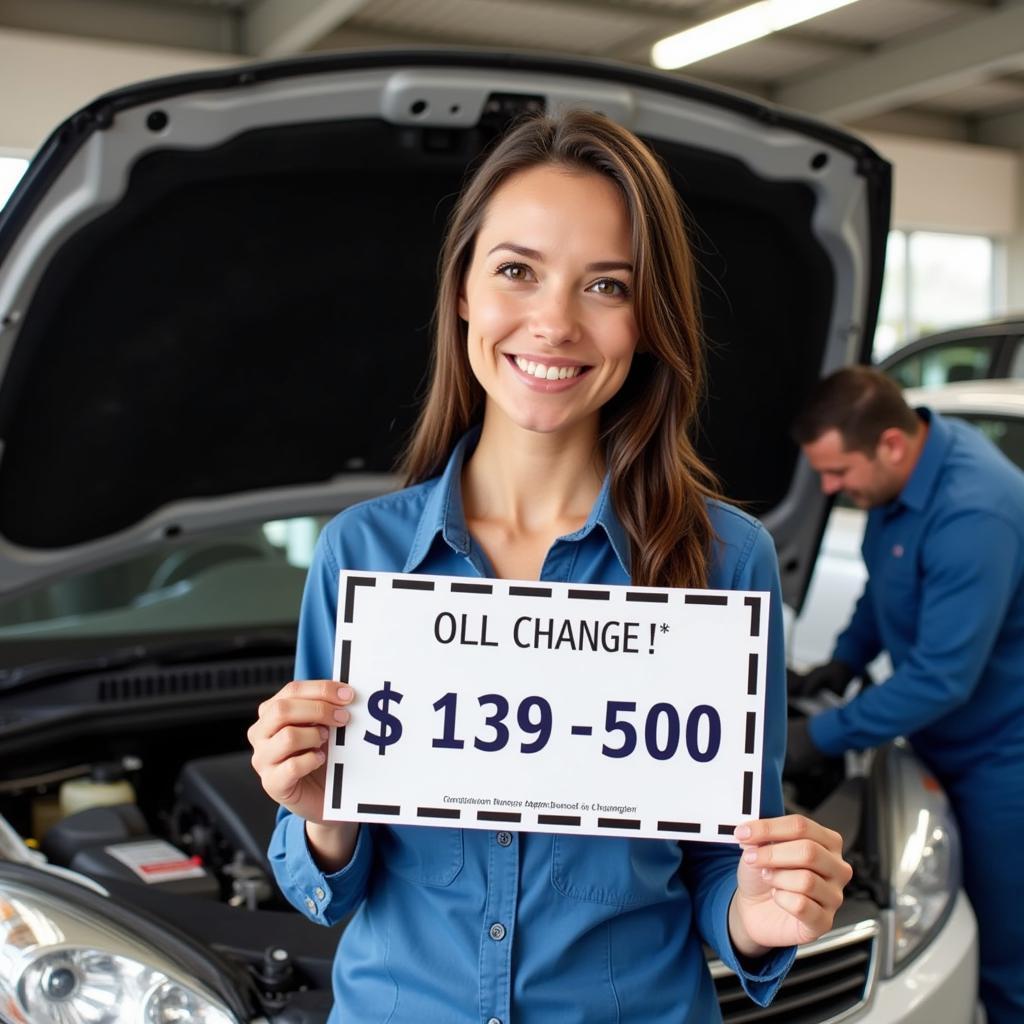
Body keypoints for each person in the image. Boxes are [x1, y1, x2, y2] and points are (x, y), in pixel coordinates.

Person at [248, 110, 851, 1023]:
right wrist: (320, 814)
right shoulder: (360, 555)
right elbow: (330, 882)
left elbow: (728, 855)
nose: (554, 322)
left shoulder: (729, 562)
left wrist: (761, 914)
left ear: (648, 321)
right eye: (517, 271)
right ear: (461, 289)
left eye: (606, 285)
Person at [790, 365, 1024, 1024]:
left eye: (838, 473)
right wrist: (840, 662)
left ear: (891, 443)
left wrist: (818, 737)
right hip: (940, 738)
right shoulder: (895, 489)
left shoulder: (975, 512)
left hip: (1001, 759)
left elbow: (940, 678)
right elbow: (884, 585)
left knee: (1005, 954)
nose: (831, 490)